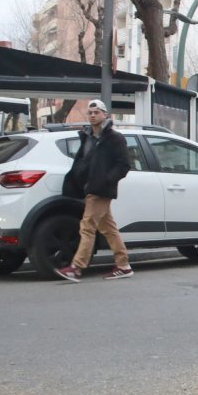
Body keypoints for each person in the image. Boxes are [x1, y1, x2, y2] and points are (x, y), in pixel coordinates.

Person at [56, 99, 133, 282]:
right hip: (89, 188)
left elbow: (124, 165)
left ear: (105, 115)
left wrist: (106, 180)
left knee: (87, 225)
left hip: (100, 190)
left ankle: (76, 268)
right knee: (108, 228)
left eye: (96, 112)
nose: (92, 116)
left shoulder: (115, 138)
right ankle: (123, 265)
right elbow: (83, 162)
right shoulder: (88, 137)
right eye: (90, 113)